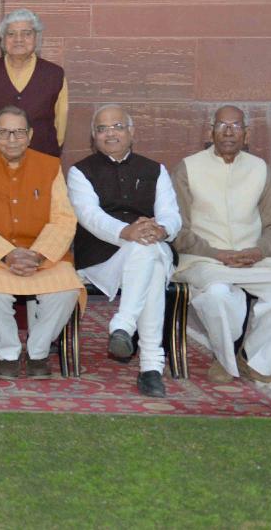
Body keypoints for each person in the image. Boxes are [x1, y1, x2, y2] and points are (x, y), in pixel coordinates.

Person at [172, 105, 271, 384]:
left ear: (247, 134)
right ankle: (225, 359)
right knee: (218, 294)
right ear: (210, 133)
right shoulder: (188, 168)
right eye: (222, 126)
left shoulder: (260, 169)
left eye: (235, 126)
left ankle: (253, 359)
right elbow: (178, 230)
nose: (228, 132)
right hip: (204, 260)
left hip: (253, 261)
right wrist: (216, 253)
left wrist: (257, 251)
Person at [0, 106, 84, 379]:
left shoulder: (50, 166)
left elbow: (63, 219)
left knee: (67, 289)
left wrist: (37, 255)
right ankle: (8, 354)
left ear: (30, 135)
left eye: (18, 132)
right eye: (4, 132)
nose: (12, 139)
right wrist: (7, 254)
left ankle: (38, 351)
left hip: (43, 255)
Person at [68, 105, 180, 397]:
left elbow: (171, 214)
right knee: (151, 258)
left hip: (148, 249)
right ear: (93, 137)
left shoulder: (155, 170)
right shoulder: (80, 172)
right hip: (101, 258)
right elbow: (89, 216)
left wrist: (162, 230)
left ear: (131, 132)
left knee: (149, 255)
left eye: (117, 126)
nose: (110, 134)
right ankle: (150, 366)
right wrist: (126, 232)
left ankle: (124, 327)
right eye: (102, 129)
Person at [0, 8, 68, 157]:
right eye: (11, 34)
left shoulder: (55, 75)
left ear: (37, 38)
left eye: (26, 33)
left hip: (41, 159)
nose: (18, 39)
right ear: (2, 40)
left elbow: (60, 126)